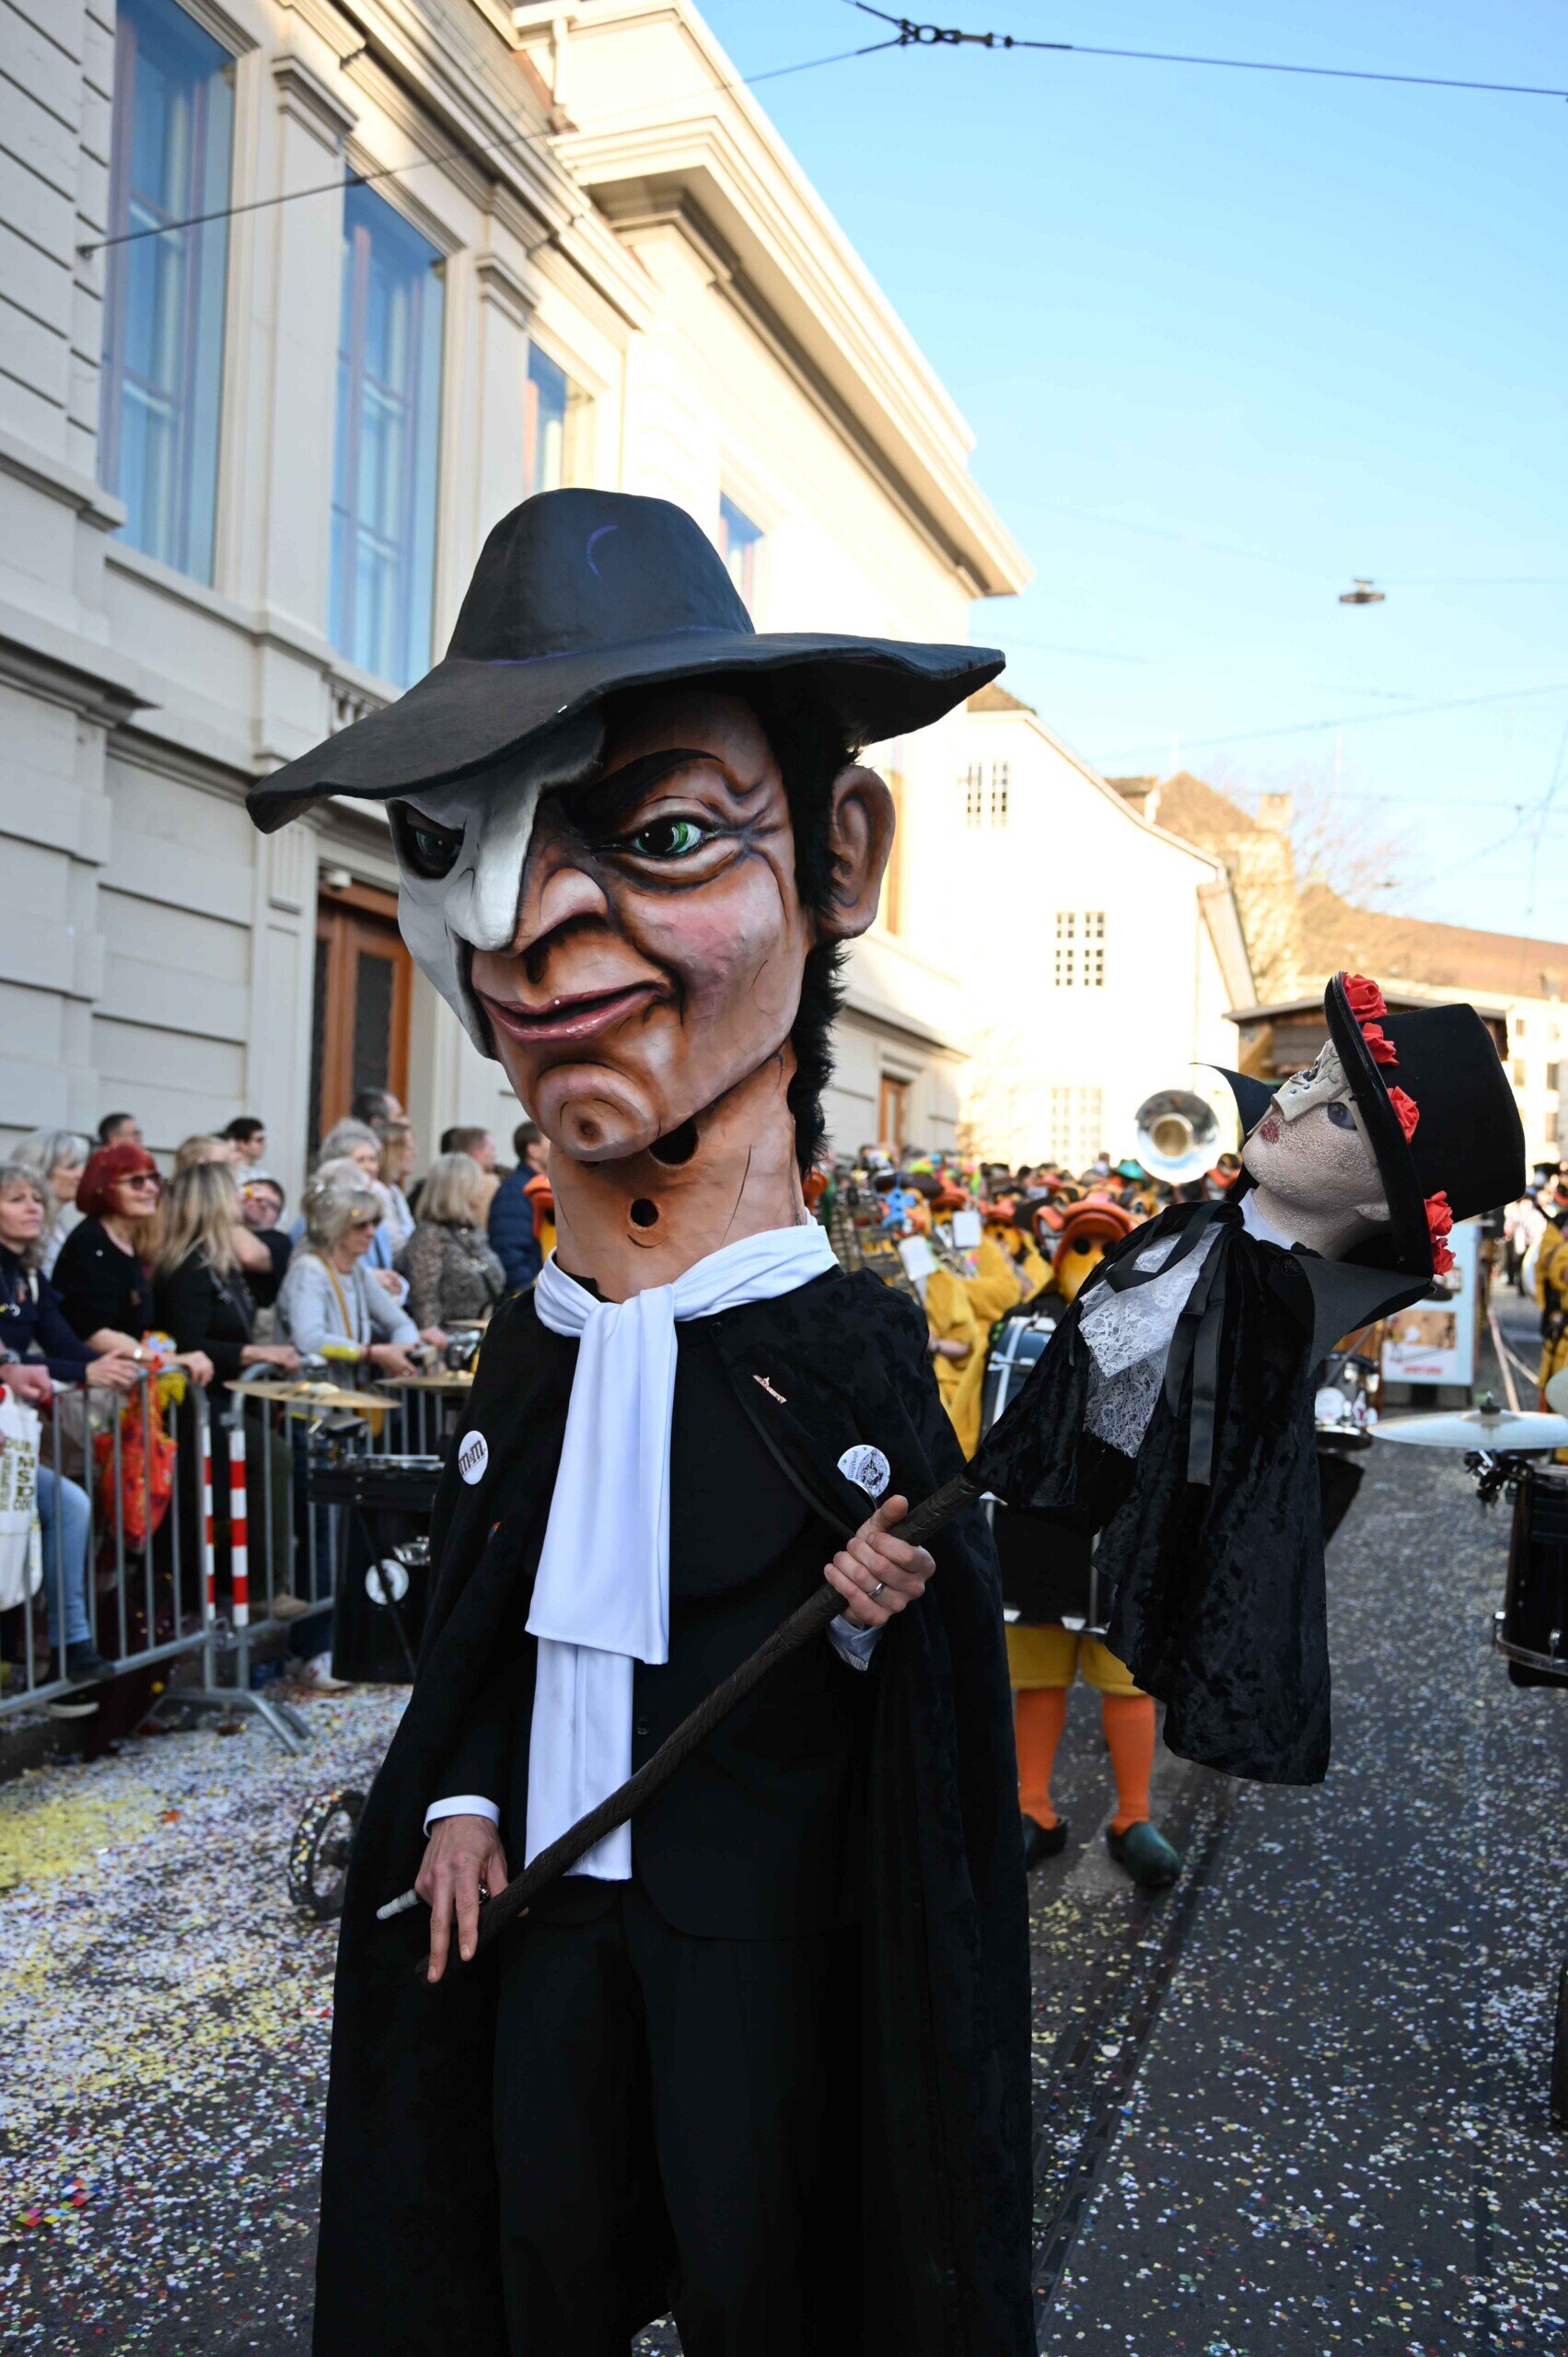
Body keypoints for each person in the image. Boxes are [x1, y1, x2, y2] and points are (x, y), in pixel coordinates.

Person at [249, 487, 1030, 2357]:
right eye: (456, 846)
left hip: (750, 1929)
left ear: (832, 858)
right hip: (541, 1914)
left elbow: (910, 1728)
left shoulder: (838, 1350)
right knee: (539, 2270)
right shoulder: (531, 1343)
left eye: (664, 832)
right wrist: (455, 1795)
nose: (530, 929)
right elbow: (482, 1625)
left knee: (767, 2282)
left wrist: (873, 1616)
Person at [52, 1144, 213, 1387]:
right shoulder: (90, 1243)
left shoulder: (133, 1241)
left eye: (154, 1179)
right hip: (94, 1384)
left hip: (125, 1382)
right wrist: (163, 1359)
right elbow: (91, 1331)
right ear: (105, 1188)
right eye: (136, 1182)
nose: (151, 1188)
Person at [149, 1163, 300, 1381]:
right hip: (203, 1393)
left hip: (233, 1389)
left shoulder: (220, 1261)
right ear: (216, 1202)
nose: (240, 1197)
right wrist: (258, 1353)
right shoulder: (190, 1267)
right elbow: (187, 1343)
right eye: (233, 1191)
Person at [275, 1180, 421, 1376]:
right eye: (360, 1225)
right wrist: (369, 1354)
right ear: (336, 1227)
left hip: (348, 1387)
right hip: (310, 1388)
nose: (371, 1232)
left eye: (375, 1223)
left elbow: (400, 1323)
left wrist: (402, 1350)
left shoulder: (357, 1270)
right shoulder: (309, 1270)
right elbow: (309, 1339)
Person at [400, 1152, 506, 1331]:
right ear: (458, 1188)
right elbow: (424, 1300)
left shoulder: (473, 1231)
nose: (482, 1189)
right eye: (476, 1182)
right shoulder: (429, 1236)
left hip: (483, 1332)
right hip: (451, 1339)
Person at [15, 1129, 90, 1274]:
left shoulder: (59, 1227)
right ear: (41, 1170)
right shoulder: (25, 1227)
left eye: (81, 1166)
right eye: (71, 1167)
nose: (80, 1174)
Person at [488, 1120, 549, 1291]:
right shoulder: (517, 1191)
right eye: (551, 1141)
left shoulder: (539, 1186)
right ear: (533, 1150)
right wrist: (527, 1291)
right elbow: (509, 1247)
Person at [237, 1171, 293, 1308]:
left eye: (271, 1205)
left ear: (277, 1218)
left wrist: (226, 1211)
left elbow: (248, 1256)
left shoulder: (280, 1241)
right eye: (254, 1196)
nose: (262, 1205)